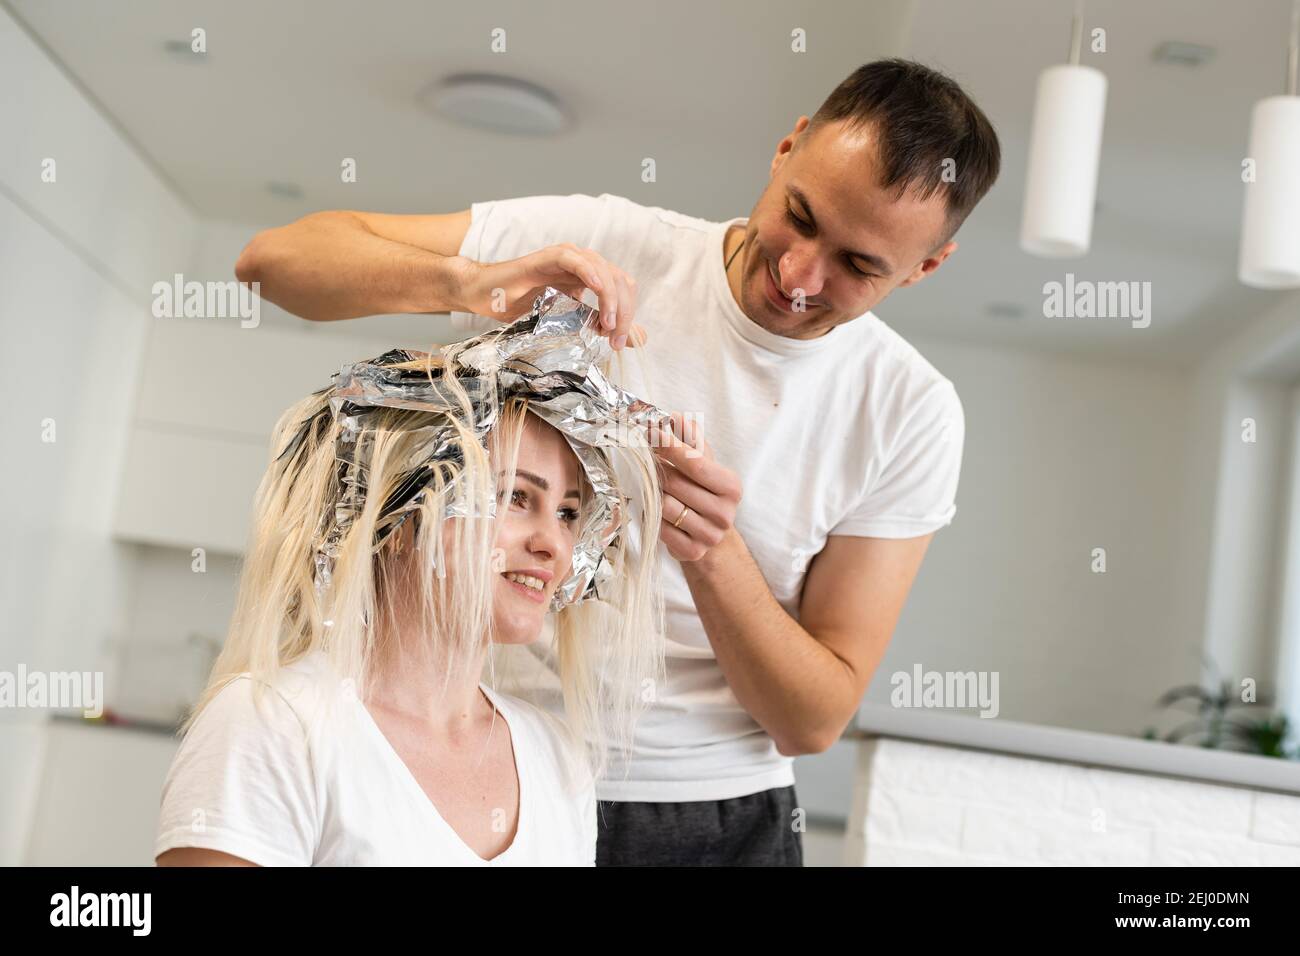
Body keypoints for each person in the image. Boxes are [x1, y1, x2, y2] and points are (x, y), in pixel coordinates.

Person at [234, 59, 1001, 866]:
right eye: (800, 216)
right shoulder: (609, 244)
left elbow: (811, 721)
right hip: (495, 765)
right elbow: (273, 262)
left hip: (717, 823)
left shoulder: (910, 413)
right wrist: (476, 284)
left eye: (859, 265)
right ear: (787, 150)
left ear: (926, 267)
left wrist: (713, 553)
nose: (800, 275)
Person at [155, 317, 664, 866]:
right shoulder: (274, 726)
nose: (553, 545)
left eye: (568, 512)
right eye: (516, 497)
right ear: (399, 517)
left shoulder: (557, 759)